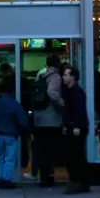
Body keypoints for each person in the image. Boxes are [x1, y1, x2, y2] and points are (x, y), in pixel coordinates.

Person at [0, 80, 29, 189]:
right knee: (9, 158)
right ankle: (6, 180)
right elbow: (23, 121)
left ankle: (0, 177)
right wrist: (25, 132)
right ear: (12, 92)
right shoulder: (14, 104)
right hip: (11, 134)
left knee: (0, 157)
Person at [30, 53, 65, 187]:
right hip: (51, 118)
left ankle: (42, 176)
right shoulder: (55, 76)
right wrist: (63, 104)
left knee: (41, 149)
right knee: (50, 150)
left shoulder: (41, 75)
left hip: (39, 117)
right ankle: (47, 177)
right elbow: (52, 93)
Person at [61, 66, 90, 194]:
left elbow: (80, 110)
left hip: (76, 128)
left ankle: (80, 182)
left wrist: (77, 126)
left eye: (66, 75)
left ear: (73, 77)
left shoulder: (77, 92)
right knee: (70, 156)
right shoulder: (69, 92)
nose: (63, 77)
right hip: (71, 127)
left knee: (76, 156)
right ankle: (76, 180)